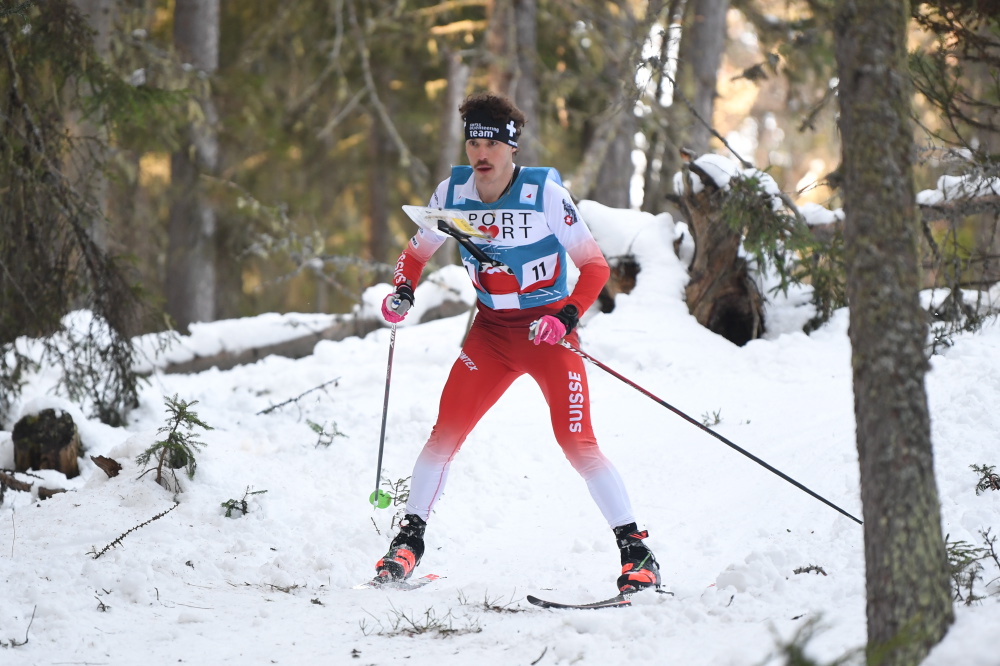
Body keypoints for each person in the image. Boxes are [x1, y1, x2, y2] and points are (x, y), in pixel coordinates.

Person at [374, 91, 659, 594]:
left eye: (490, 144)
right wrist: (402, 291)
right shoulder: (453, 192)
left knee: (577, 443)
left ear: (511, 149)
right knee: (444, 435)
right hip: (491, 335)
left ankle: (637, 553)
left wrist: (565, 317)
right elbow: (415, 254)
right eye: (472, 142)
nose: (480, 154)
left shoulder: (543, 192)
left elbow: (595, 267)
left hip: (547, 333)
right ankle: (408, 543)